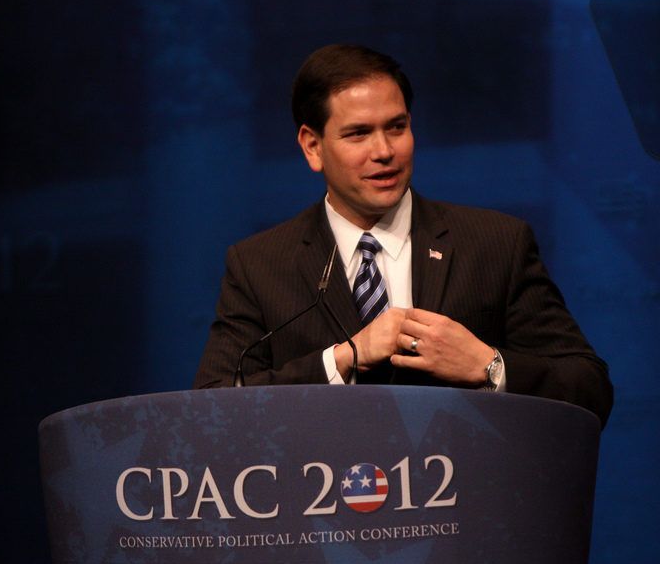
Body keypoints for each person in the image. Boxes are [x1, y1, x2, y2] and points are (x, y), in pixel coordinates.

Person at [194, 44, 613, 427]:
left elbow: (589, 390)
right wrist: (344, 358)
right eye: (358, 133)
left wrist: (487, 367)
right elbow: (210, 410)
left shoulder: (495, 244)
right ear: (313, 147)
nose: (384, 151)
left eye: (396, 127)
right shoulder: (260, 265)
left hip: (464, 483)